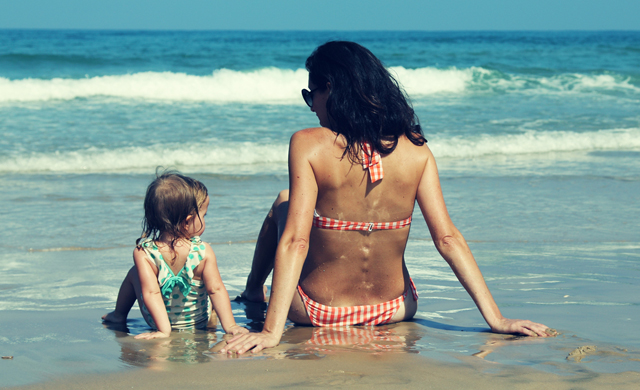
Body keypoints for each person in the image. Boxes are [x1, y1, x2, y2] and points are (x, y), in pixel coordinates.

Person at [222, 41, 551, 354]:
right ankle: (254, 290)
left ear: (331, 88)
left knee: (285, 201)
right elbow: (448, 238)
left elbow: (296, 241)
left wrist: (270, 332)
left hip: (317, 312)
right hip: (395, 308)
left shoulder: (308, 144)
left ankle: (253, 291)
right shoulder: (416, 148)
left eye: (312, 95)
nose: (312, 107)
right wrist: (497, 319)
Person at [103, 171, 248, 339]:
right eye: (204, 215)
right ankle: (214, 319)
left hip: (158, 322)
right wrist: (230, 325)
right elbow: (215, 289)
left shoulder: (144, 253)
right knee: (211, 284)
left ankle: (118, 315)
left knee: (134, 273)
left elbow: (151, 294)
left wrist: (164, 331)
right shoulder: (202, 251)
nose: (205, 220)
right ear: (187, 221)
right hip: (199, 320)